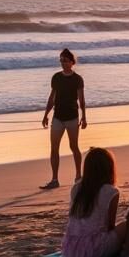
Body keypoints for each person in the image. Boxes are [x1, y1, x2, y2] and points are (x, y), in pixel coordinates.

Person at [62, 147, 129, 257]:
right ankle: (128, 252)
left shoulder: (76, 188)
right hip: (94, 249)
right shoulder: (111, 191)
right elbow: (109, 225)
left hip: (70, 250)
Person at [40, 48, 86, 189]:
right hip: (57, 118)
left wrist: (84, 117)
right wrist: (46, 114)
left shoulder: (77, 79)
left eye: (65, 60)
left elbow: (81, 100)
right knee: (54, 148)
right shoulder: (56, 77)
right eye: (61, 60)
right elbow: (52, 97)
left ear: (72, 62)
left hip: (72, 117)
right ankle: (54, 179)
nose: (62, 63)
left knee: (74, 147)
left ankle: (78, 176)